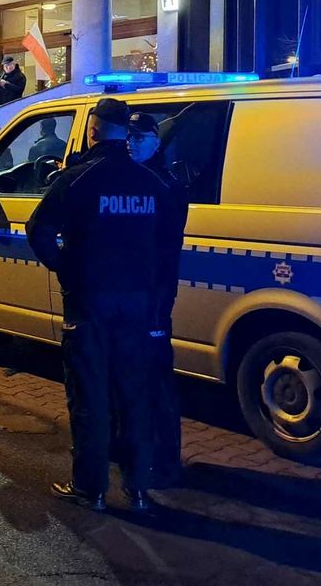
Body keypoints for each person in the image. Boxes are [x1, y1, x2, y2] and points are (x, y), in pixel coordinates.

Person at [25, 97, 172, 512]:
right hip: (137, 305)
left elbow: (38, 231)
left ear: (92, 129)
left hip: (89, 303)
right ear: (126, 131)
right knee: (134, 394)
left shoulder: (76, 179)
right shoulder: (152, 183)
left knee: (90, 395)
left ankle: (91, 488)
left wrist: (65, 268)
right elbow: (165, 245)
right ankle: (138, 487)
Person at [127, 111, 189, 488]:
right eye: (129, 137)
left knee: (156, 379)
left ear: (156, 140)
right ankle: (142, 452)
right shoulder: (146, 179)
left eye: (140, 137)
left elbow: (159, 247)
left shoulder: (162, 184)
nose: (132, 143)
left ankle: (164, 462)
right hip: (139, 294)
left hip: (153, 295)